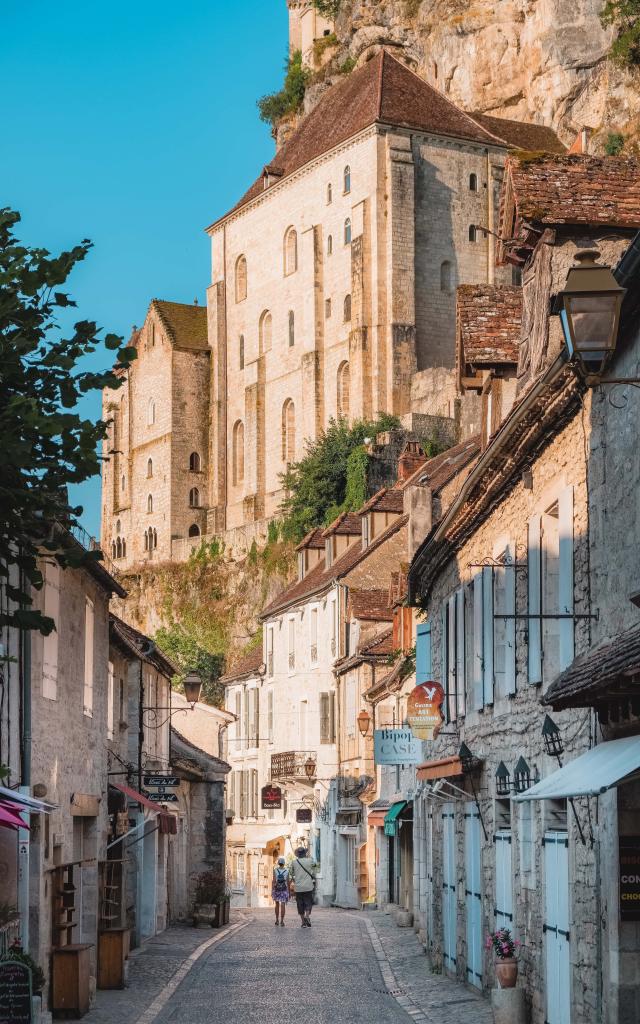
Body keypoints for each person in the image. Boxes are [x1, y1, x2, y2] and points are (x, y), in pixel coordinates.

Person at [289, 845, 317, 927]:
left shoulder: (294, 862)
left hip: (298, 887)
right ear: (305, 853)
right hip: (308, 886)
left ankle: (303, 922)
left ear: (298, 854)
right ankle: (307, 916)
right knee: (308, 902)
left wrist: (295, 879)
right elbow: (316, 867)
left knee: (300, 904)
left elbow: (291, 873)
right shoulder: (310, 861)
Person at [271, 856, 290, 926]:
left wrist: (272, 890)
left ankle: (277, 920)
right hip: (284, 889)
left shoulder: (275, 870)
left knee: (276, 904)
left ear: (278, 863)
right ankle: (282, 921)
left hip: (277, 889)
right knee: (283, 905)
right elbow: (288, 882)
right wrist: (289, 892)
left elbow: (273, 881)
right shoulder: (287, 871)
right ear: (284, 863)